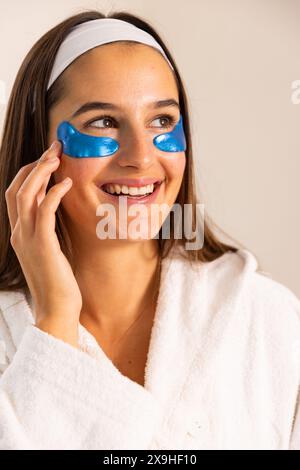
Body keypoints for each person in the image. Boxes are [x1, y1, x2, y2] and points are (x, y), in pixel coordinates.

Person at [0, 10, 299, 451]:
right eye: (102, 121)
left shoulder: (268, 319)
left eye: (161, 121)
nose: (140, 158)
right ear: (39, 147)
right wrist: (55, 324)